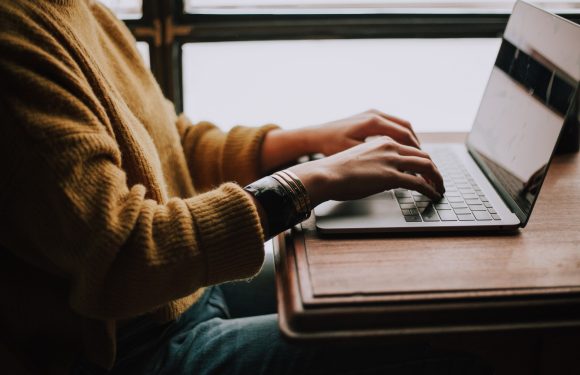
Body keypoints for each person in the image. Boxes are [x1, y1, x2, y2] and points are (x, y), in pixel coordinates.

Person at [0, 1, 491, 374]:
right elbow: (126, 254)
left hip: (183, 292)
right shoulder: (16, 39)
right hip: (129, 347)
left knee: (407, 297)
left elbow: (171, 143)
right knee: (429, 345)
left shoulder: (78, 10)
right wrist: (309, 181)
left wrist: (307, 139)